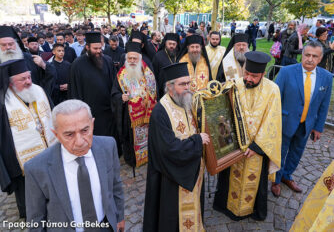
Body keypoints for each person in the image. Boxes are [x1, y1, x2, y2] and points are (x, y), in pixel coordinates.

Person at [25, 100, 125, 231]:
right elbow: (36, 219)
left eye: (85, 130)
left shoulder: (108, 146)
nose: (79, 142)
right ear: (56, 135)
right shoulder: (36, 169)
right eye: (69, 134)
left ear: (92, 124)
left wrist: (119, 217)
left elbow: (115, 185)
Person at [213, 51, 281, 221]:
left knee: (254, 180)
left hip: (257, 149)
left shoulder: (273, 89)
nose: (249, 78)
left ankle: (252, 210)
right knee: (228, 179)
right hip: (234, 147)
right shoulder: (233, 85)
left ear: (263, 74)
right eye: (246, 73)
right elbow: (223, 112)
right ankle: (225, 206)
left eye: (254, 76)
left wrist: (257, 147)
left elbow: (272, 120)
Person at [143, 62, 210, 231]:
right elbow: (168, 149)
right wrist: (197, 141)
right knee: (172, 217)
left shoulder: (186, 101)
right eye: (183, 84)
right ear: (170, 87)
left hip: (192, 168)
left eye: (189, 83)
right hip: (171, 176)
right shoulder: (160, 111)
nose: (188, 88)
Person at [0, 59, 56, 219]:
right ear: (11, 82)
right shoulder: (2, 101)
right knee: (30, 199)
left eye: (29, 77)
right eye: (22, 79)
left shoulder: (38, 90)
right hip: (22, 161)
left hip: (50, 151)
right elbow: (1, 137)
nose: (28, 82)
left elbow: (52, 113)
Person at [272, 41, 333, 197]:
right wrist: (273, 122)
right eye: (307, 55)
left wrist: (318, 127)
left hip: (307, 124)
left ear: (320, 58)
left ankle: (287, 176)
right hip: (285, 122)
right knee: (280, 152)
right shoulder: (287, 72)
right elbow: (274, 98)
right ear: (302, 55)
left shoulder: (326, 77)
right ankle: (276, 180)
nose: (310, 59)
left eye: (315, 56)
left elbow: (324, 105)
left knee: (297, 152)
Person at [69, 31, 119, 153]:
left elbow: (114, 84)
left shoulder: (107, 60)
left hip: (108, 111)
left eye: (100, 48)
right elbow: (74, 91)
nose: (98, 51)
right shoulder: (77, 65)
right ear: (87, 47)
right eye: (95, 48)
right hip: (90, 113)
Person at [112, 42, 157, 169]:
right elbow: (114, 93)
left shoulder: (147, 72)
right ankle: (132, 159)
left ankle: (147, 156)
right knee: (130, 138)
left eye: (134, 58)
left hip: (146, 114)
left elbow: (154, 90)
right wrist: (121, 97)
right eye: (129, 58)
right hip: (130, 116)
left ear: (139, 58)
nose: (132, 61)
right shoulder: (121, 75)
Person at [152, 33, 181, 98]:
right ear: (165, 44)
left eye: (174, 44)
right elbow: (154, 75)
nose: (171, 46)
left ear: (177, 45)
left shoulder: (180, 56)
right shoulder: (158, 56)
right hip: (163, 91)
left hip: (178, 90)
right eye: (169, 44)